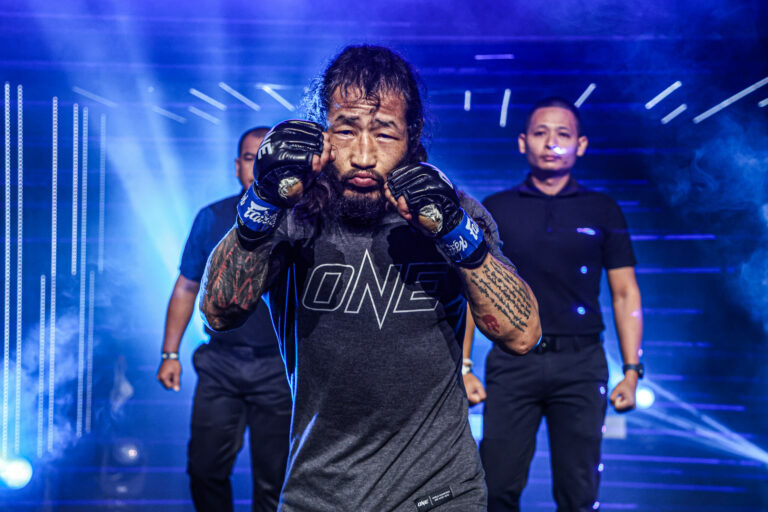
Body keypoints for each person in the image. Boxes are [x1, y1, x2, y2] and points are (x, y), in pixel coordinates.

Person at [199, 45, 541, 511]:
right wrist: (261, 199)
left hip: (438, 494)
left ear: (412, 136)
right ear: (322, 134)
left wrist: (457, 235)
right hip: (318, 495)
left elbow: (522, 336)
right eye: (346, 130)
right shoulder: (291, 217)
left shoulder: (455, 215)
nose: (363, 155)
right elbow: (218, 312)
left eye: (383, 134)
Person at [464, 97, 644, 512]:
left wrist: (632, 372)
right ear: (523, 142)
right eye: (541, 133)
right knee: (496, 490)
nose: (552, 143)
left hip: (582, 364)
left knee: (579, 494)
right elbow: (473, 290)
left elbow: (625, 293)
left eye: (563, 134)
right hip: (512, 363)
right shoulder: (497, 208)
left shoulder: (603, 208)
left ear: (581, 145)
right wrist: (464, 366)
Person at [157, 127, 292, 512]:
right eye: (251, 158)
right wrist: (170, 354)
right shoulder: (213, 216)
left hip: (280, 369)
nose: (257, 166)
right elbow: (186, 287)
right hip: (221, 363)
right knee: (204, 470)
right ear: (238, 167)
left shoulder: (300, 222)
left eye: (267, 157)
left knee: (275, 480)